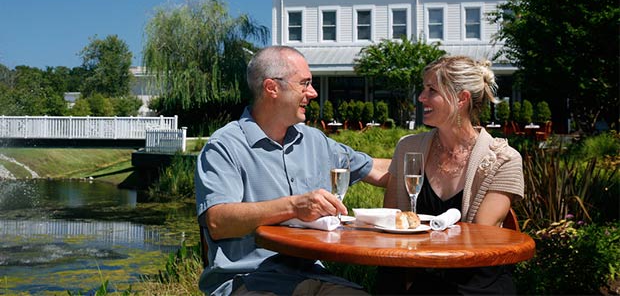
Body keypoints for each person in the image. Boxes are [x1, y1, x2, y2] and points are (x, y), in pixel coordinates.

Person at [195, 45, 388, 296]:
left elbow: (379, 170)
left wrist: (442, 154)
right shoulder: (224, 145)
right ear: (272, 88)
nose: (314, 92)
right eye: (304, 84)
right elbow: (218, 221)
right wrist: (294, 207)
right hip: (248, 279)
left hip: (312, 274)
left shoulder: (316, 141)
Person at [378, 55, 524, 295]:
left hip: (474, 281)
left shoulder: (504, 159)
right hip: (411, 273)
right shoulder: (408, 148)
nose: (421, 97)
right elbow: (392, 222)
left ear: (461, 99)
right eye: (423, 89)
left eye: (431, 90)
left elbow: (479, 237)